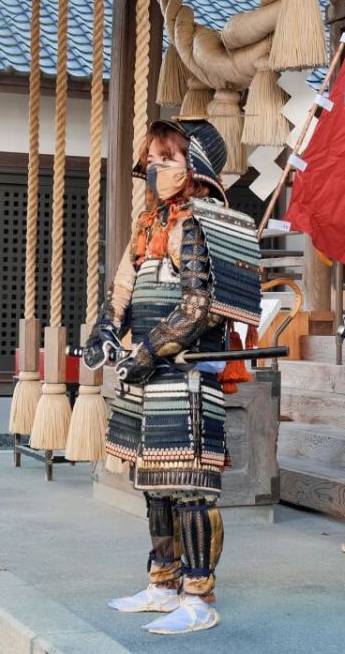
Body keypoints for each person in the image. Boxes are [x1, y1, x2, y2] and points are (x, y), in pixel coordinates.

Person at [81, 119, 261, 635]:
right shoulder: (147, 224)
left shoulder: (208, 222)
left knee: (190, 489)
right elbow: (123, 287)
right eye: (152, 159)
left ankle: (199, 595)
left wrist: (152, 349)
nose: (156, 168)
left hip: (187, 373)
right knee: (153, 485)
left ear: (194, 164)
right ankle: (162, 583)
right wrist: (107, 332)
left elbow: (201, 307)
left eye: (167, 157)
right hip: (146, 373)